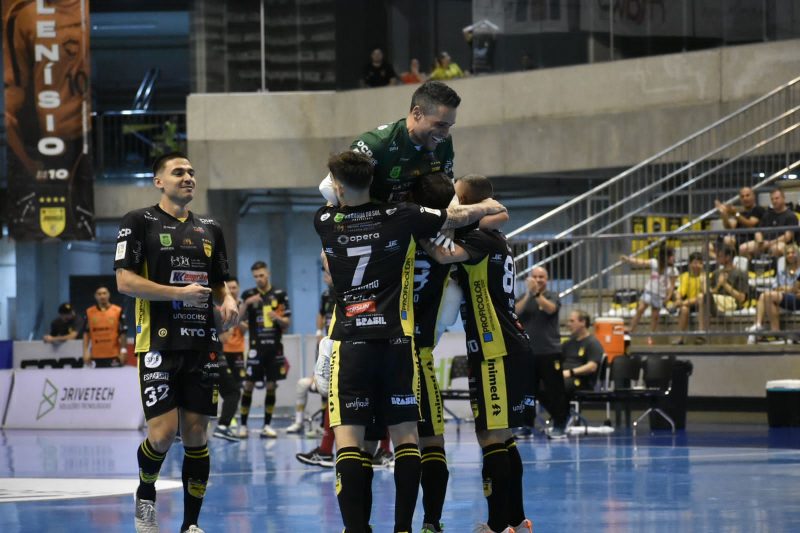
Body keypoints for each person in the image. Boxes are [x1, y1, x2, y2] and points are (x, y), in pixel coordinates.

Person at [314, 151, 507, 533]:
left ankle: (356, 528)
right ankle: (413, 526)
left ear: (338, 186)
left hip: (350, 341)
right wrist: (489, 205)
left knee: (353, 444)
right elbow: (460, 217)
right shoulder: (406, 219)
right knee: (413, 440)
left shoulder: (322, 219)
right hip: (401, 346)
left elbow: (328, 254)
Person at [115, 151, 237, 533]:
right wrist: (176, 294)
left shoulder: (211, 228)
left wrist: (227, 298)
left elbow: (218, 282)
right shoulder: (139, 222)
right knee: (164, 434)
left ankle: (190, 524)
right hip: (158, 344)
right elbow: (125, 282)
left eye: (191, 172)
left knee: (198, 433)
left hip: (203, 344)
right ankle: (145, 492)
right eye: (178, 172)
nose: (188, 177)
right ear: (159, 181)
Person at [420, 173, 533, 533]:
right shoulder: (496, 237)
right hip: (505, 343)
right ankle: (517, 520)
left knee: (490, 437)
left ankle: (499, 525)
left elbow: (440, 254)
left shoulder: (480, 238)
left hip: (494, 346)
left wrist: (417, 225)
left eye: (457, 201)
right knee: (504, 436)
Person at [239, 261, 291, 439]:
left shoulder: (279, 295)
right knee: (248, 384)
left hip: (274, 348)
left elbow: (286, 323)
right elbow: (238, 318)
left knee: (271, 385)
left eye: (261, 275)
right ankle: (243, 425)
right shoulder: (249, 295)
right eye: (255, 276)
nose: (258, 279)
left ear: (267, 274)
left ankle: (267, 425)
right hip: (256, 349)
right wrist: (246, 303)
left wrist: (276, 317)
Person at [515, 266, 569, 439]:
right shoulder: (524, 297)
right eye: (535, 276)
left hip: (549, 352)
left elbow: (550, 309)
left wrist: (537, 295)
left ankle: (560, 423)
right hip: (528, 353)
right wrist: (529, 295)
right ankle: (526, 424)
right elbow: (514, 313)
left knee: (555, 390)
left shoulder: (552, 296)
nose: (538, 280)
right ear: (530, 279)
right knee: (527, 391)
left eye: (542, 277)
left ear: (547, 279)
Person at [286, 266, 334, 435]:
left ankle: (325, 426)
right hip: (328, 349)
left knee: (326, 387)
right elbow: (320, 314)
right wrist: (319, 333)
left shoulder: (344, 295)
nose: (324, 278)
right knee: (304, 384)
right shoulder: (325, 296)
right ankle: (300, 423)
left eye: (327, 274)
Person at [621, 247, 678, 344]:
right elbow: (640, 262)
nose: (673, 258)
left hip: (660, 295)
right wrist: (628, 259)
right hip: (649, 291)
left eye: (673, 256)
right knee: (640, 309)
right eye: (671, 256)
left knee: (655, 316)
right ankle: (631, 328)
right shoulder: (655, 263)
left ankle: (650, 336)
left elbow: (672, 286)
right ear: (665, 257)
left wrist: (668, 297)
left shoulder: (673, 270)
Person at [212, 277, 245, 441]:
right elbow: (225, 339)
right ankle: (223, 425)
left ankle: (181, 431)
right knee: (233, 392)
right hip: (215, 357)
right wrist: (232, 322)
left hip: (199, 358)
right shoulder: (216, 311)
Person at [747, 243, 800, 343]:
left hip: (796, 299)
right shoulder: (782, 270)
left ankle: (762, 327)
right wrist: (786, 289)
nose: (790, 255)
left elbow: (794, 290)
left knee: (767, 295)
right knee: (764, 296)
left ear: (798, 254)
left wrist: (786, 289)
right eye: (787, 253)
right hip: (783, 297)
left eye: (793, 252)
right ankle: (766, 329)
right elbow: (776, 287)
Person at [740, 189, 798, 258]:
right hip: (764, 242)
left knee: (776, 249)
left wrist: (770, 243)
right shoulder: (767, 214)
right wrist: (760, 241)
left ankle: (774, 268)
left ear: (783, 198)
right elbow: (758, 231)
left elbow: (787, 237)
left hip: (783, 244)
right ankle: (751, 267)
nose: (774, 201)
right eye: (772, 199)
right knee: (743, 248)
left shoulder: (791, 216)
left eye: (777, 198)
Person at [81, 286, 127, 367]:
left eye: (104, 293)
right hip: (95, 356)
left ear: (109, 295)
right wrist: (85, 351)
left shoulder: (117, 311)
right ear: (95, 296)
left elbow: (123, 333)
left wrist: (123, 351)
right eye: (99, 294)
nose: (102, 296)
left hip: (114, 355)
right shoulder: (89, 312)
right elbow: (86, 333)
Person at [561, 310, 604, 395]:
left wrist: (570, 372)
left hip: (581, 381)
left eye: (572, 321)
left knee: (559, 385)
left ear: (583, 322)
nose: (568, 324)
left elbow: (592, 367)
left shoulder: (592, 343)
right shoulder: (567, 343)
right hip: (564, 377)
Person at [713, 187, 764, 255]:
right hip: (736, 239)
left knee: (728, 240)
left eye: (747, 195)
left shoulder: (758, 209)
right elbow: (729, 227)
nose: (745, 198)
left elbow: (750, 224)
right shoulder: (741, 213)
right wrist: (724, 214)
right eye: (742, 196)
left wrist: (735, 213)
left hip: (749, 239)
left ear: (753, 196)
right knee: (708, 247)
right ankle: (720, 262)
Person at [673, 252, 708, 345]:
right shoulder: (685, 276)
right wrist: (678, 298)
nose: (697, 266)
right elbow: (680, 291)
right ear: (690, 264)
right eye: (695, 263)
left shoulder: (705, 276)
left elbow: (705, 293)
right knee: (684, 309)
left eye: (699, 263)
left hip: (703, 304)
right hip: (689, 303)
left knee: (700, 297)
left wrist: (681, 303)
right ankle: (680, 338)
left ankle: (701, 333)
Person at [708, 245, 749, 317]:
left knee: (708, 299)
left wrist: (725, 284)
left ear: (728, 257)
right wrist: (719, 285)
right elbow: (712, 291)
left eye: (719, 256)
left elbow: (741, 298)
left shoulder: (740, 273)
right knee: (706, 297)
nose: (716, 258)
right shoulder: (716, 273)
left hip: (732, 302)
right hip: (716, 300)